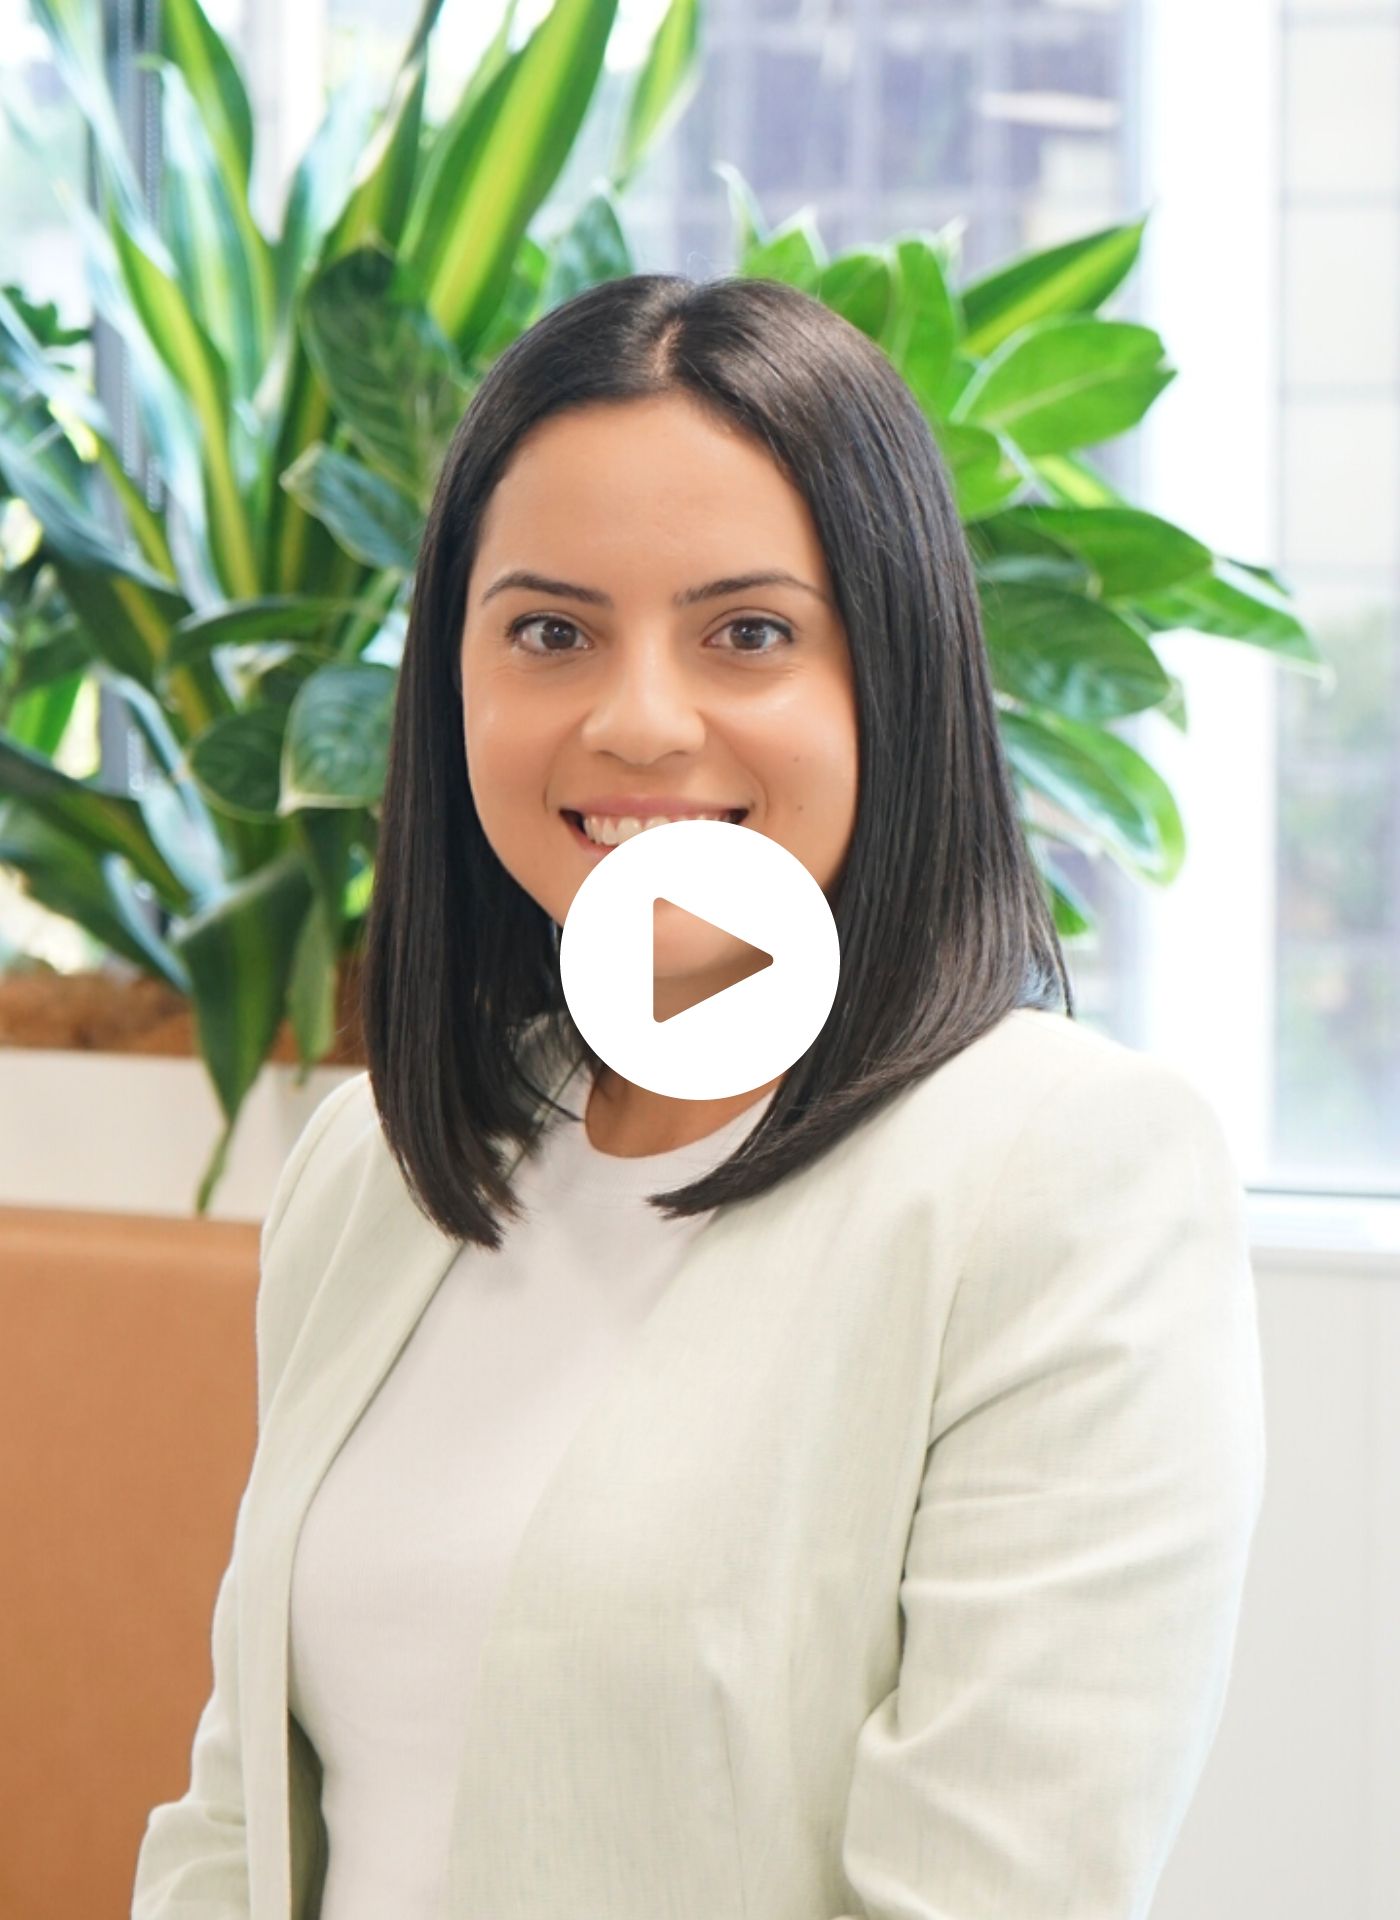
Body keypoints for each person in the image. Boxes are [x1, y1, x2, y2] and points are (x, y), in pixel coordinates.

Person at [131, 273, 1267, 1920]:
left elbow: (988, 1890)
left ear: (895, 673)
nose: (639, 718)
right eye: (550, 631)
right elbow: (237, 1827)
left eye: (748, 632)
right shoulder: (369, 1166)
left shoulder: (1066, 1177)